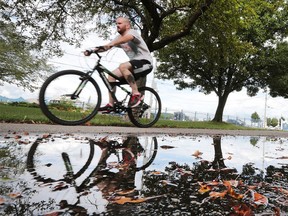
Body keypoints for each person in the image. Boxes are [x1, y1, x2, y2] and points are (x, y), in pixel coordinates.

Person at [86, 17, 153, 112]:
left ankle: (136, 93)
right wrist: (92, 50)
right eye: (116, 23)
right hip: (133, 66)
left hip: (145, 63)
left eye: (120, 23)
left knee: (123, 66)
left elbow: (127, 38)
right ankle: (111, 104)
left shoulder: (132, 32)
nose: (117, 25)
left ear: (127, 25)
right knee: (111, 76)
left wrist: (112, 44)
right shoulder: (118, 39)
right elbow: (106, 47)